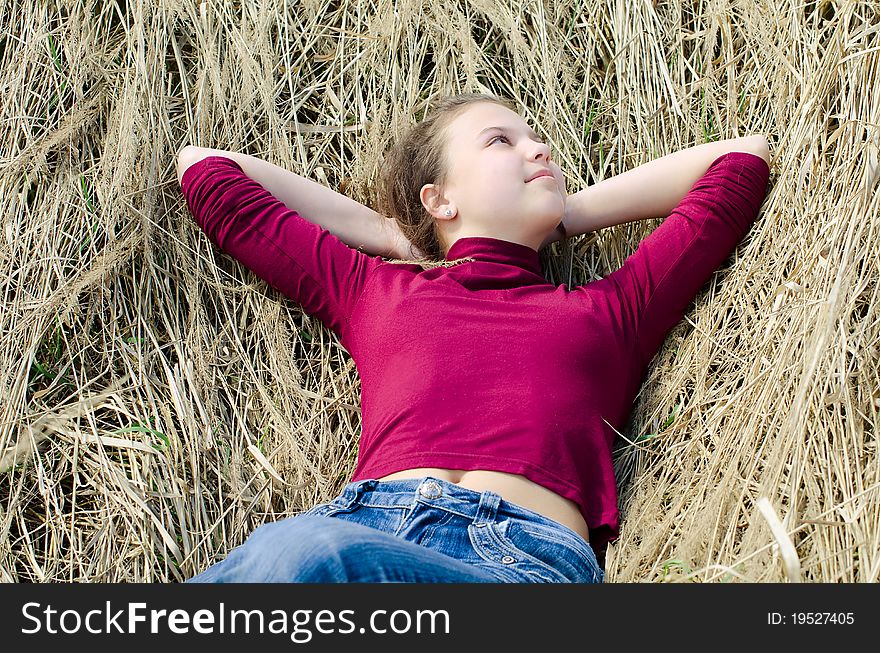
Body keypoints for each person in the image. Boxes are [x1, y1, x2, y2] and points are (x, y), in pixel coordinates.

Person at [177, 92, 771, 583]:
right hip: (367, 524)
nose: (537, 147)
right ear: (439, 199)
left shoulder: (612, 309)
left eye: (536, 138)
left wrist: (571, 212)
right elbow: (205, 170)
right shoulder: (375, 291)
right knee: (302, 558)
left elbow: (742, 161)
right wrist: (390, 235)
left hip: (520, 560)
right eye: (499, 140)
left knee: (314, 559)